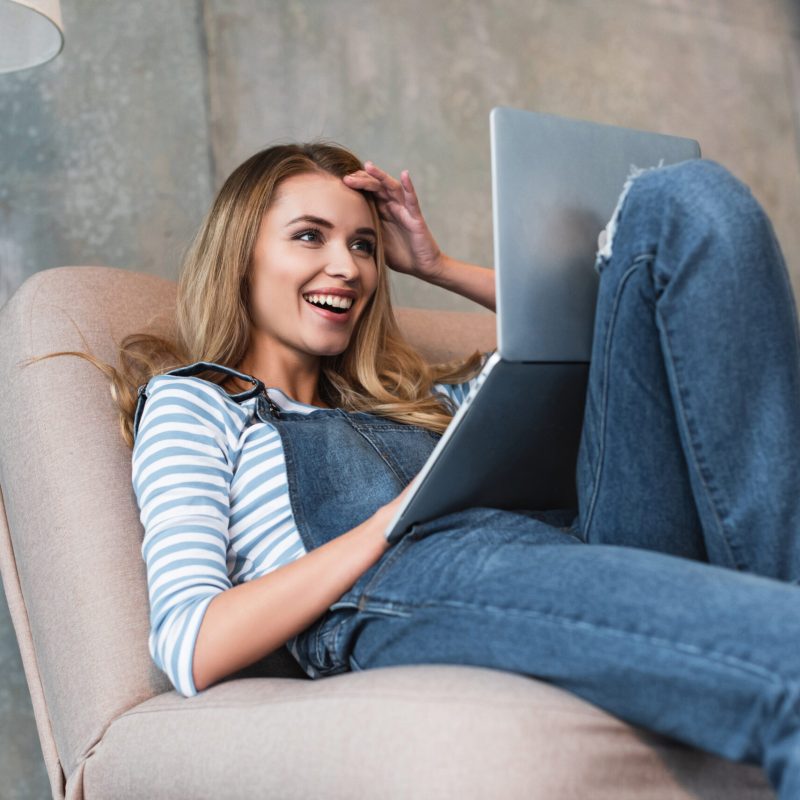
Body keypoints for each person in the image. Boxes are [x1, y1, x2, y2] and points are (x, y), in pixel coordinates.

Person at [95, 141, 800, 796]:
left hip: (566, 541)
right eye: (310, 235)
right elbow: (191, 642)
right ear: (240, 254)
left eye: (364, 245)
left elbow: (621, 328)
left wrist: (436, 266)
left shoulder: (413, 401)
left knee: (678, 203)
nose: (347, 267)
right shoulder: (198, 402)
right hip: (407, 582)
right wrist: (383, 525)